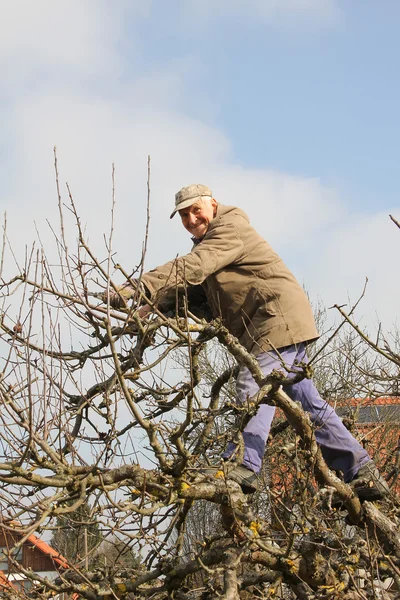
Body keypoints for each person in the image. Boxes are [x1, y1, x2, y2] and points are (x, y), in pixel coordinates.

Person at [109, 184, 389, 500]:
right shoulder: (210, 244)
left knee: (253, 388)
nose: (190, 218)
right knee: (308, 403)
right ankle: (361, 473)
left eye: (195, 210)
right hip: (274, 323)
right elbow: (196, 290)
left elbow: (194, 266)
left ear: (212, 205)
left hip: (274, 318)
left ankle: (242, 466)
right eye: (184, 215)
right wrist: (155, 303)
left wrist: (139, 285)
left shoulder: (229, 228)